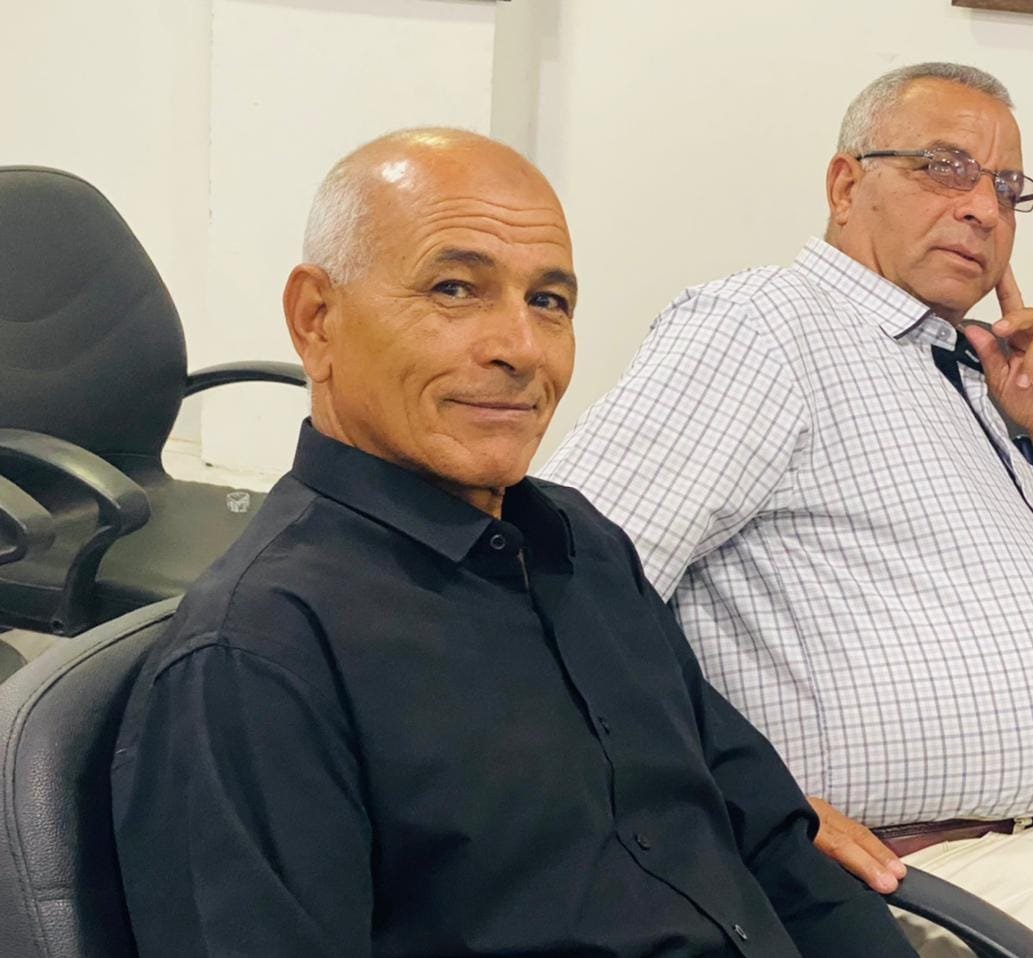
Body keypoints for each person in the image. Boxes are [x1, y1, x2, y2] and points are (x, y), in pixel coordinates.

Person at [109, 128, 913, 958]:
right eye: (455, 289)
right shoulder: (259, 658)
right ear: (317, 321)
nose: (521, 349)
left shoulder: (583, 545)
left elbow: (770, 836)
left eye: (549, 302)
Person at [541, 63, 1033, 956]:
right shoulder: (764, 325)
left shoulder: (956, 363)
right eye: (946, 168)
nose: (984, 210)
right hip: (961, 865)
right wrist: (744, 797)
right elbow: (559, 585)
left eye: (1007, 188)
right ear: (845, 185)